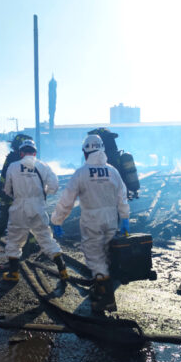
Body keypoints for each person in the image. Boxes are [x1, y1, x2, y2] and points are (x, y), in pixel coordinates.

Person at [51, 134, 130, 312]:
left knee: (95, 258)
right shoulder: (113, 171)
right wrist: (124, 218)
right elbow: (122, 197)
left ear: (86, 152)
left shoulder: (81, 173)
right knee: (107, 255)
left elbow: (67, 200)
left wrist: (57, 220)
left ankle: (105, 299)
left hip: (92, 221)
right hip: (111, 219)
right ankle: (101, 289)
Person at [1, 139, 69, 281]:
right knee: (45, 238)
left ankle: (13, 274)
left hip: (19, 208)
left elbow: (7, 189)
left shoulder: (13, 166)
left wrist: (17, 195)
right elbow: (54, 186)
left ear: (21, 153)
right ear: (35, 153)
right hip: (37, 207)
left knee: (14, 240)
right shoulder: (43, 166)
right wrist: (43, 192)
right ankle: (62, 270)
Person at [0, 134, 35, 249]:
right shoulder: (17, 159)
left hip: (12, 194)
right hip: (13, 195)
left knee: (11, 217)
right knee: (12, 217)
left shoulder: (14, 158)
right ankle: (32, 243)